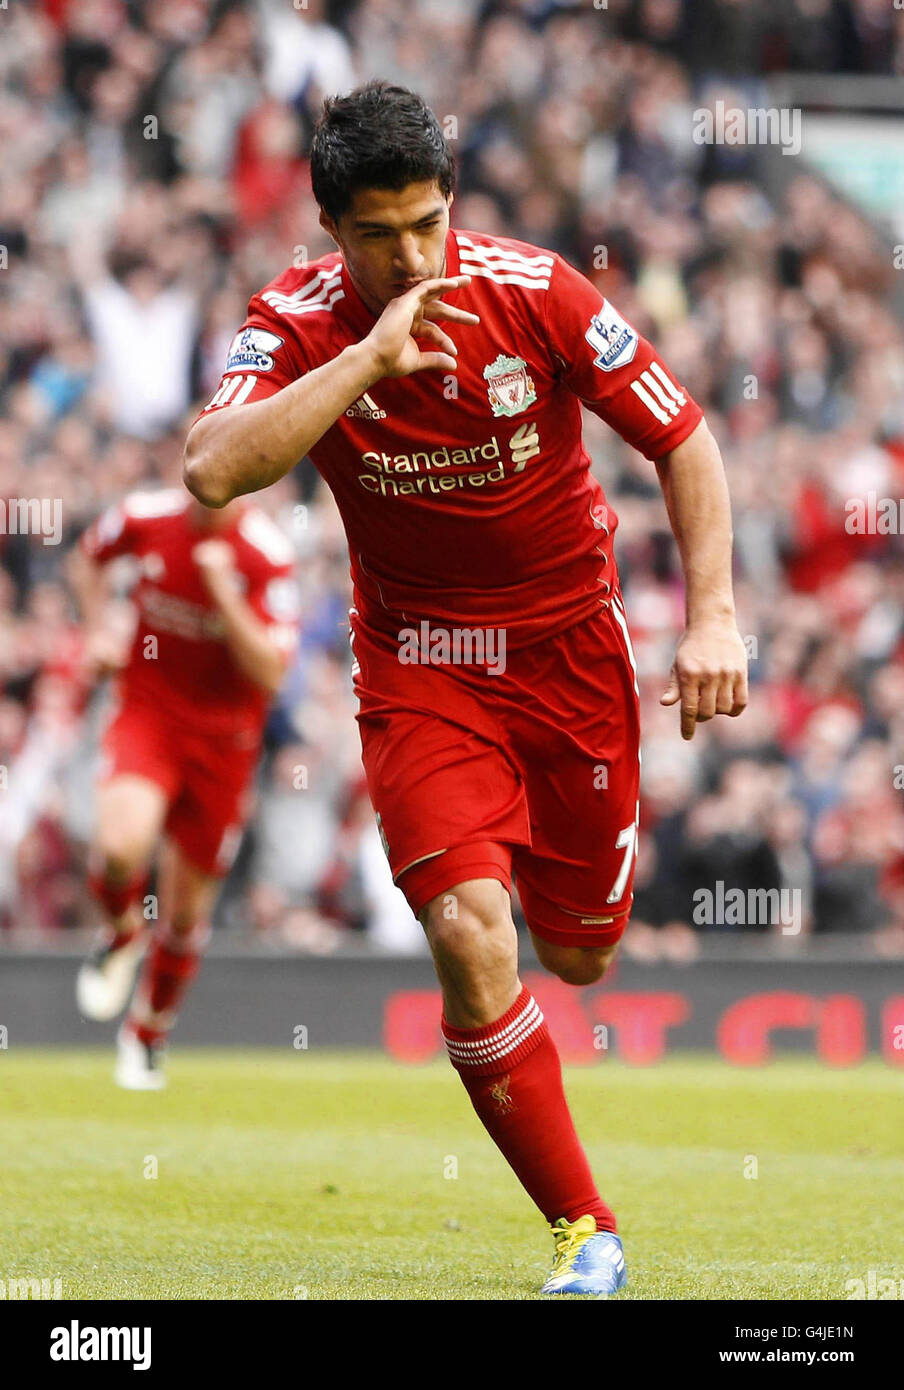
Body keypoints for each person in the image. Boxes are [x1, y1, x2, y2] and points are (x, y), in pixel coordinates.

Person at [183, 81, 748, 1296]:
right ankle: (585, 1232)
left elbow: (683, 437)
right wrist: (368, 361)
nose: (410, 254)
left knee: (582, 954)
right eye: (379, 233)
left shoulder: (537, 290)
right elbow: (213, 468)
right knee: (465, 932)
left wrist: (712, 616)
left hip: (570, 663)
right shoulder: (290, 322)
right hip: (421, 667)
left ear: (453, 203)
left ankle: (564, 970)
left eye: (428, 222)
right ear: (332, 230)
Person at [72, 488, 298, 1089]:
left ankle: (147, 1031)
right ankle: (121, 930)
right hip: (149, 715)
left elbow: (273, 672)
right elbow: (87, 556)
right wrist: (99, 631)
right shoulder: (146, 517)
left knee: (185, 912)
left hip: (225, 744)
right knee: (121, 848)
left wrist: (224, 592)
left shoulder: (266, 555)